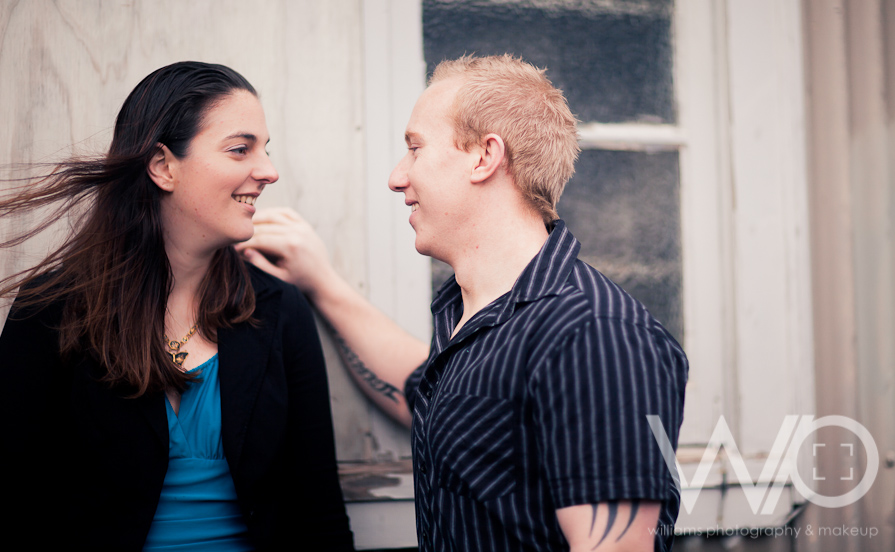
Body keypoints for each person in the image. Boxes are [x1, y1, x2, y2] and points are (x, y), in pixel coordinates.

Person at [239, 54, 689, 551]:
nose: (397, 177)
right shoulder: (479, 317)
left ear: (484, 157)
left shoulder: (595, 334)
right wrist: (322, 285)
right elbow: (429, 395)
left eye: (415, 148)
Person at [0, 61, 354, 551]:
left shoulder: (278, 310)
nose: (269, 172)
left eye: (265, 150)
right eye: (240, 149)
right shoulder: (52, 310)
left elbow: (319, 512)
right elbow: (13, 506)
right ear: (163, 166)